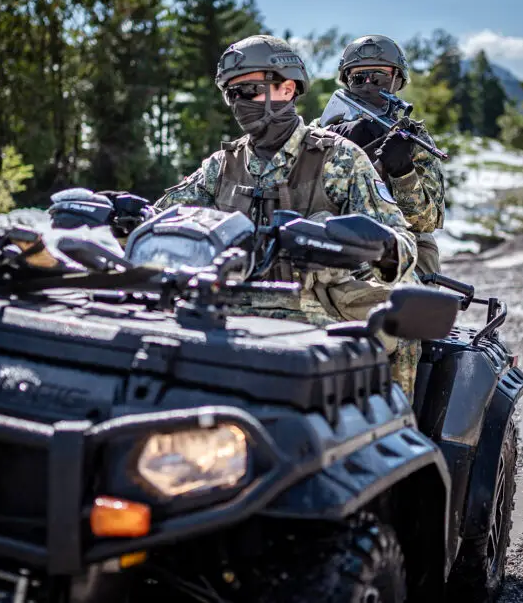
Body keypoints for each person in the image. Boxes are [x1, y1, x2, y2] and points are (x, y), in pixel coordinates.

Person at [153, 34, 422, 399]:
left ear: (287, 88)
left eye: (248, 90)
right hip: (227, 305)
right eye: (231, 93)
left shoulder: (339, 158)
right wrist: (125, 218)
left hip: (316, 307)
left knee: (403, 332)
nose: (238, 103)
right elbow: (161, 220)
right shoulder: (221, 166)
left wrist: (376, 245)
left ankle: (399, 434)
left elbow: (403, 241)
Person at [320, 34, 446, 276]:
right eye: (358, 78)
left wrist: (402, 171)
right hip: (334, 242)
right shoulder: (320, 131)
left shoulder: (413, 139)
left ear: (397, 80)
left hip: (399, 245)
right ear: (346, 82)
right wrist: (335, 143)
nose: (369, 84)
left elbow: (426, 222)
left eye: (379, 77)